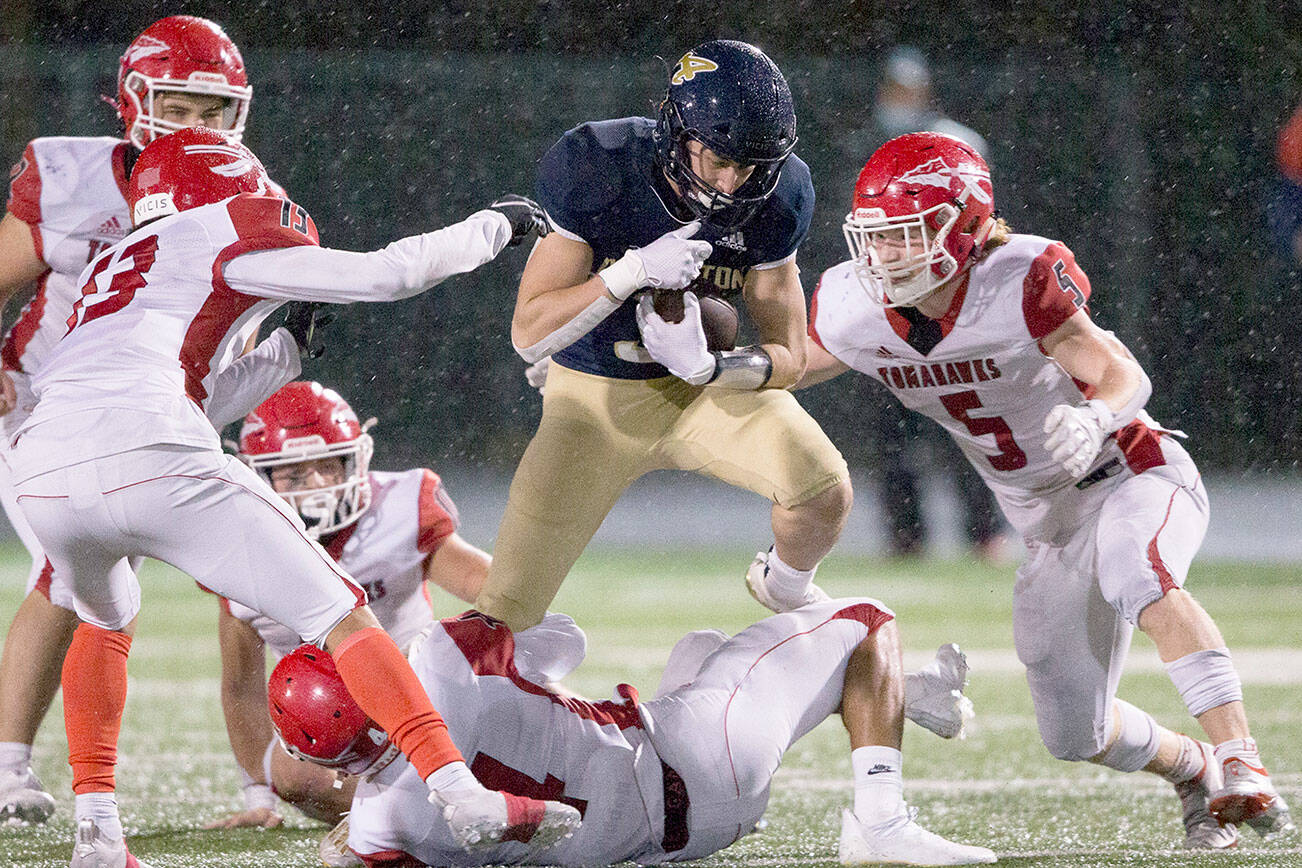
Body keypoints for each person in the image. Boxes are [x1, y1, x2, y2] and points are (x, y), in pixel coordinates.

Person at [4, 126, 576, 868]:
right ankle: (461, 791)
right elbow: (389, 274)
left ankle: (99, 837)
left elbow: (185, 390)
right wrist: (496, 226)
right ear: (227, 180)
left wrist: (285, 354)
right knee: (339, 613)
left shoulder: (115, 262)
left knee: (102, 619)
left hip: (42, 466)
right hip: (145, 446)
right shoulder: (225, 222)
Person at [801, 131, 1296, 849]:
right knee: (1074, 732)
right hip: (1048, 526)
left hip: (1131, 473)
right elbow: (791, 364)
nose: (886, 254)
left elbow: (1124, 374)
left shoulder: (1019, 277)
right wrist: (709, 361)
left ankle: (1242, 759)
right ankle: (1194, 771)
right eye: (878, 237)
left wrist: (1097, 412)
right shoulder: (855, 309)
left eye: (908, 234)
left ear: (963, 225)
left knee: (1140, 572)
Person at [0, 15, 312, 831]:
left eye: (216, 111)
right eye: (181, 105)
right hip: (47, 406)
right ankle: (10, 767)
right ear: (134, 102)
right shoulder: (74, 178)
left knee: (267, 580)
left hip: (162, 405)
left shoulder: (244, 187)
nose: (199, 128)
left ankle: (296, 771)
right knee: (67, 577)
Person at [474, 39, 853, 633]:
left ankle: (784, 588)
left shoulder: (780, 195)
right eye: (717, 159)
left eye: (749, 165)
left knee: (824, 490)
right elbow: (529, 332)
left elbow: (792, 357)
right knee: (503, 619)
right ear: (676, 133)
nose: (731, 183)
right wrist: (629, 273)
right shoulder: (600, 165)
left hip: (704, 394)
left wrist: (713, 369)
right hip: (593, 397)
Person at [267, 599, 996, 867]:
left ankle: (901, 695)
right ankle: (881, 818)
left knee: (703, 650)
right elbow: (564, 638)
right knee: (865, 624)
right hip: (695, 760)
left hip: (675, 838)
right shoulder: (439, 659)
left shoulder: (379, 830)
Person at [204, 381, 492, 834]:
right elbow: (241, 687)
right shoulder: (241, 542)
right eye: (294, 475)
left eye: (327, 467)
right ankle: (429, 815)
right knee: (293, 773)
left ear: (354, 459)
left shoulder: (396, 507)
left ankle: (443, 802)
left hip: (429, 690)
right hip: (335, 725)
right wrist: (259, 794)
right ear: (258, 477)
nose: (315, 486)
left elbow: (489, 588)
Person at [832, 45, 1003, 560]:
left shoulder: (957, 143)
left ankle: (984, 531)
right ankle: (905, 535)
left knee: (966, 422)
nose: (901, 98)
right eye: (894, 89)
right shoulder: (868, 145)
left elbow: (980, 222)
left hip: (951, 299)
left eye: (909, 89)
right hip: (889, 303)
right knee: (891, 436)